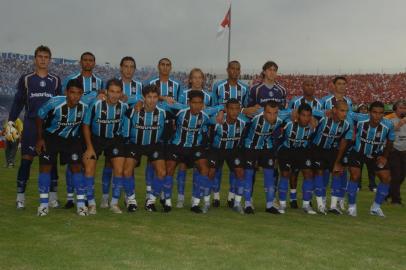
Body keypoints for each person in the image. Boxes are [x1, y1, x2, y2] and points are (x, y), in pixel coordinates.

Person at [8, 45, 62, 209]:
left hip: (50, 126)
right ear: (35, 59)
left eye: (46, 57)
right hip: (31, 125)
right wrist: (11, 121)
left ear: (50, 60)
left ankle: (53, 198)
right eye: (40, 56)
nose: (43, 60)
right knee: (26, 160)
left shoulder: (56, 80)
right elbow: (18, 101)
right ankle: (20, 198)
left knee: (51, 162)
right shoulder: (26, 79)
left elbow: (59, 103)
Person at [35, 79, 87, 216]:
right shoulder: (55, 102)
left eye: (78, 93)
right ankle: (44, 205)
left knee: (77, 167)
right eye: (72, 93)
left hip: (71, 139)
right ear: (66, 92)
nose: (75, 96)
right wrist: (40, 139)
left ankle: (81, 205)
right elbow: (39, 116)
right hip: (51, 138)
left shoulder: (85, 106)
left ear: (82, 94)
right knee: (45, 168)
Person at [63, 51, 104, 209]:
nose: (88, 63)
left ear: (94, 63)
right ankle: (69, 197)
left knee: (88, 163)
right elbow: (66, 101)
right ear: (80, 62)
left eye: (90, 60)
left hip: (89, 127)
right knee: (72, 162)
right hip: (73, 126)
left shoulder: (100, 82)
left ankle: (87, 195)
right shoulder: (71, 80)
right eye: (85, 60)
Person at [82, 78, 128, 214]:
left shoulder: (124, 107)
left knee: (119, 170)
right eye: (112, 91)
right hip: (96, 139)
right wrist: (89, 147)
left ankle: (114, 203)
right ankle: (91, 203)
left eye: (117, 92)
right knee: (89, 168)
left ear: (121, 94)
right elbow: (85, 126)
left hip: (114, 140)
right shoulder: (96, 104)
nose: (114, 95)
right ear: (106, 91)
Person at [347, 101, 395, 217]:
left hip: (375, 154)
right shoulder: (360, 118)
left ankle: (376, 207)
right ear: (369, 112)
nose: (377, 115)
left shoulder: (388, 124)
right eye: (374, 112)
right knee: (355, 176)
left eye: (380, 113)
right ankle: (352, 207)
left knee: (386, 178)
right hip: (358, 152)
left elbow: (390, 141)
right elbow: (346, 112)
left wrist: (384, 156)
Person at [243, 101, 290, 214]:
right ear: (264, 112)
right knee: (249, 175)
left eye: (275, 113)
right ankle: (247, 204)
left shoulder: (281, 116)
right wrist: (242, 110)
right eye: (269, 113)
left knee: (270, 175)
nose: (272, 116)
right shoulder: (255, 114)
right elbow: (237, 110)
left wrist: (312, 118)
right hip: (250, 146)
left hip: (267, 147)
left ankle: (269, 205)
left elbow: (294, 112)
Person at [310, 101, 353, 214]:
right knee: (319, 172)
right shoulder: (323, 119)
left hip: (331, 150)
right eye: (342, 110)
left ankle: (333, 206)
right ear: (334, 110)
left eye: (346, 111)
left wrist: (337, 162)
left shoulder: (346, 125)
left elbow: (342, 144)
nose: (345, 114)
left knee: (337, 172)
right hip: (317, 149)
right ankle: (320, 205)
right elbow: (310, 112)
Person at [207, 99, 249, 214]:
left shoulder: (244, 121)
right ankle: (209, 201)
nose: (234, 112)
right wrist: (219, 110)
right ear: (226, 109)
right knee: (211, 172)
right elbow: (204, 117)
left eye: (237, 109)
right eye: (231, 109)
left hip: (233, 151)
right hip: (217, 150)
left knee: (240, 172)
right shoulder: (217, 121)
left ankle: (236, 202)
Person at [288, 79, 322, 208]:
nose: (310, 87)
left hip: (312, 143)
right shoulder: (295, 101)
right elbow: (290, 117)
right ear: (302, 87)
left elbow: (322, 119)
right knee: (294, 171)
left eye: (312, 85)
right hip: (296, 142)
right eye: (307, 85)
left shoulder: (320, 103)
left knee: (310, 172)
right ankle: (292, 197)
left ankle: (308, 198)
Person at [277, 103, 317, 215]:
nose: (306, 118)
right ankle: (282, 204)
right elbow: (278, 116)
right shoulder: (288, 123)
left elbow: (325, 114)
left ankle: (306, 205)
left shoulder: (312, 127)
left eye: (308, 116)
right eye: (303, 115)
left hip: (301, 151)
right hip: (286, 150)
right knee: (285, 174)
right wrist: (290, 112)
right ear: (298, 115)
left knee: (308, 174)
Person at [387, 100, 406, 205]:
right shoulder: (390, 119)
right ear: (395, 108)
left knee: (402, 175)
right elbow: (385, 132)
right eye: (401, 108)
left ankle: (388, 192)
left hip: (404, 151)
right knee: (396, 175)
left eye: (405, 108)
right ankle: (396, 200)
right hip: (394, 150)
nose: (403, 110)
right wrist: (398, 125)